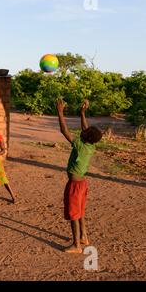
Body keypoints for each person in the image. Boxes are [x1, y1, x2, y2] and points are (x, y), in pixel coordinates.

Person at [56, 99, 103, 254]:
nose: (83, 130)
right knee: (80, 211)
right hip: (82, 184)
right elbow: (86, 128)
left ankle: (77, 245)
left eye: (84, 132)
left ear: (85, 137)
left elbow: (64, 131)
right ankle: (83, 236)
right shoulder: (90, 145)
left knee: (73, 215)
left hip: (75, 185)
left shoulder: (80, 145)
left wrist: (60, 111)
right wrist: (82, 113)